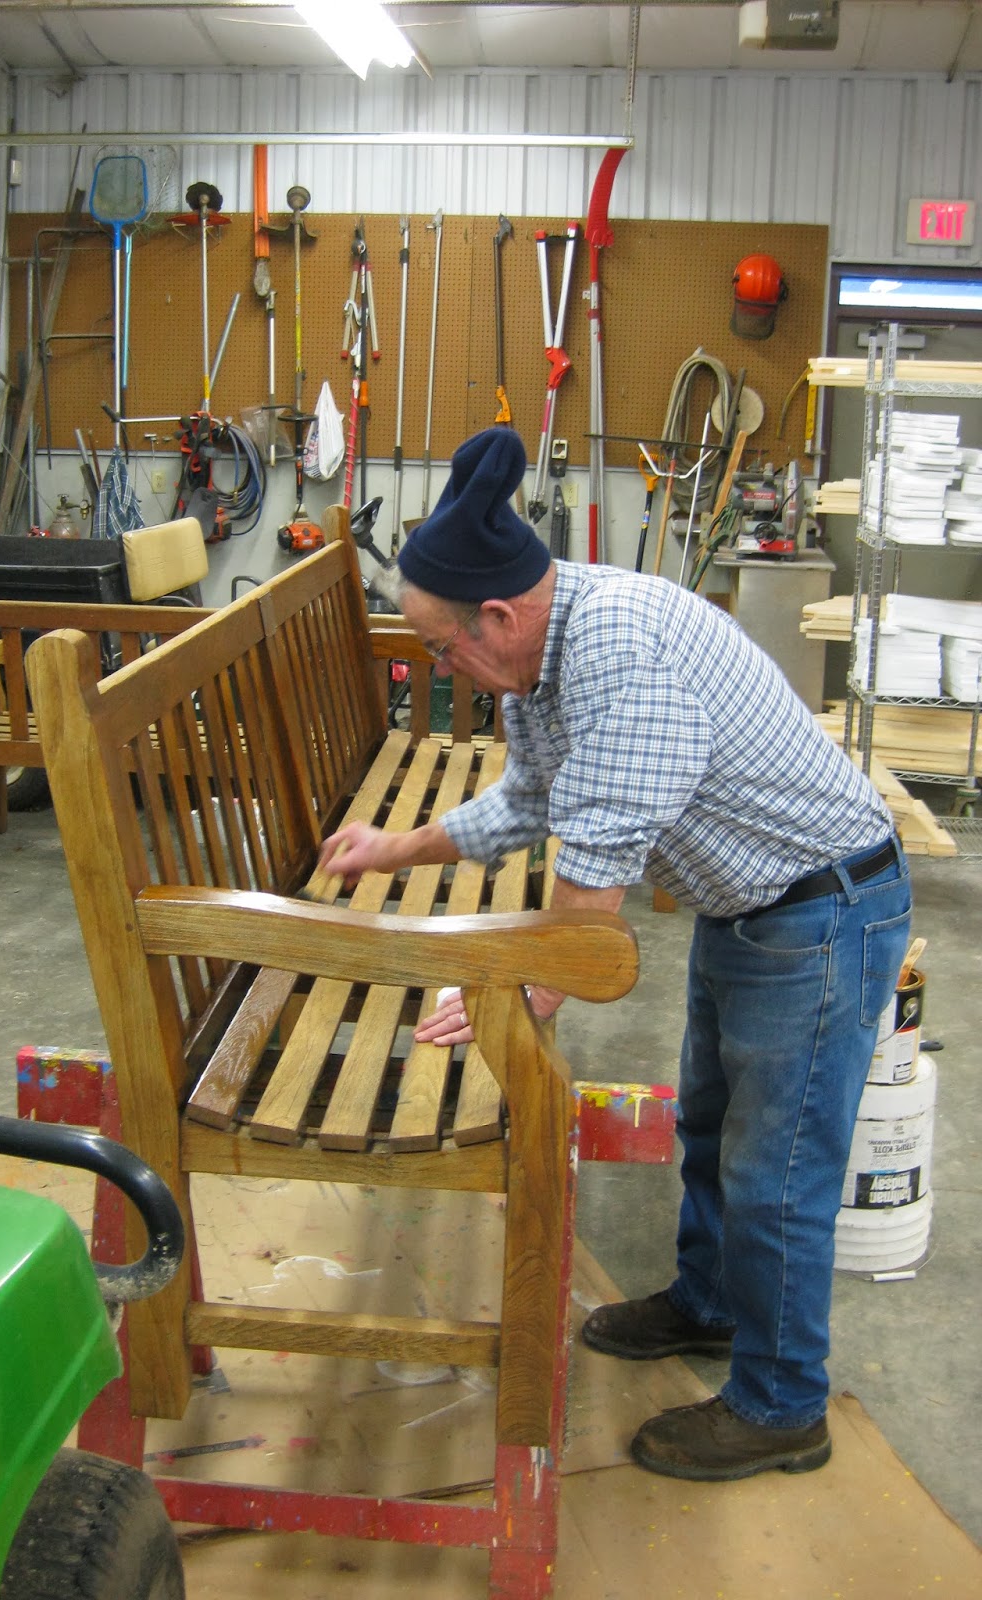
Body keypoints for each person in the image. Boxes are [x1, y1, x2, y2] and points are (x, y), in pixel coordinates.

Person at [319, 425, 912, 1483]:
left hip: (821, 913)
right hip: (750, 906)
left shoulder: (619, 660)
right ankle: (711, 1304)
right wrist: (393, 848)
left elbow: (586, 919)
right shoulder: (541, 658)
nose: (440, 666)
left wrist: (517, 995)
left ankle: (783, 1407)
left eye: (442, 647)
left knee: (776, 1177)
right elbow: (533, 802)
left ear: (499, 616)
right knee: (713, 1129)